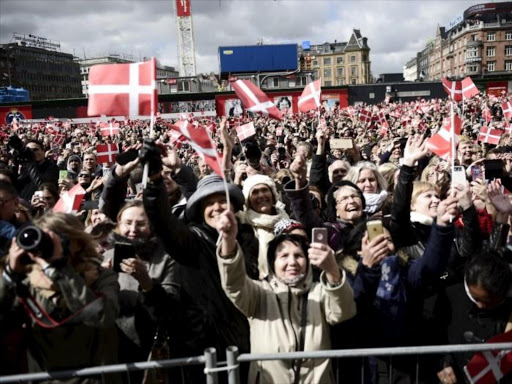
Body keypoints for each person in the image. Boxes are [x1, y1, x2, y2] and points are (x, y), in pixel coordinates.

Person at [216, 209, 356, 383]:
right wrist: (229, 241)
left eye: (298, 256)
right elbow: (233, 283)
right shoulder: (260, 293)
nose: (292, 262)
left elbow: (344, 311)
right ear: (272, 263)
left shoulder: (319, 291)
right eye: (283, 256)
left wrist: (332, 270)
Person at [0, 212, 120, 382]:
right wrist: (10, 275)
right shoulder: (25, 283)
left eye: (57, 239)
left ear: (78, 243)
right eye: (44, 238)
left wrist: (60, 270)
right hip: (45, 378)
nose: (49, 245)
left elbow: (103, 316)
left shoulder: (101, 277)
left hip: (94, 378)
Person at [238, 174, 290, 277]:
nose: (261, 195)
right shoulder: (243, 222)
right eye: (255, 192)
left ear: (273, 195)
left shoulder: (287, 220)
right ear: (248, 200)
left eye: (264, 190)